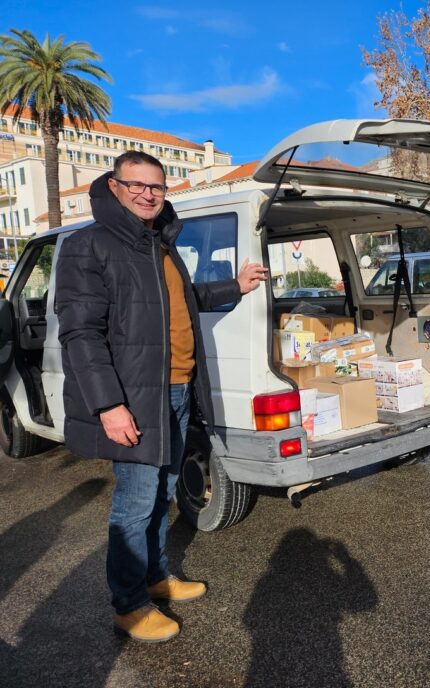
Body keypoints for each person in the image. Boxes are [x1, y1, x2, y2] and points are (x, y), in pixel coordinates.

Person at [55, 151, 268, 642]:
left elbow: (182, 302)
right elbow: (81, 335)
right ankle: (128, 604)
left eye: (157, 186)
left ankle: (155, 578)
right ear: (114, 186)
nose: (149, 194)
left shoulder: (160, 245)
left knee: (164, 494)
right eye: (138, 185)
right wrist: (109, 405)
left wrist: (234, 286)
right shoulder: (90, 245)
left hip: (175, 391)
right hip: (134, 398)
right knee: (134, 503)